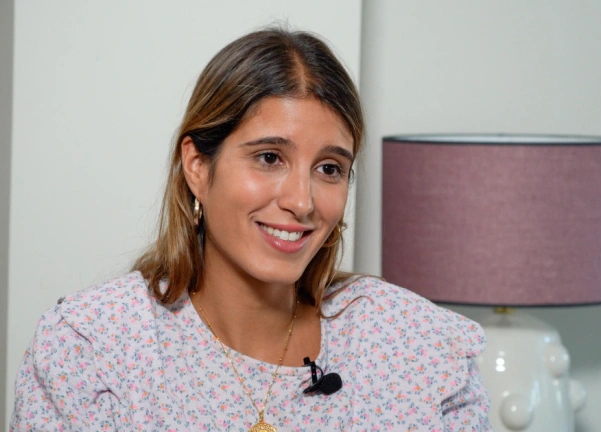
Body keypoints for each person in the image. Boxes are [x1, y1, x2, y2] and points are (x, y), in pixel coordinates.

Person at [12, 28, 491, 431]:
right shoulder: (93, 349)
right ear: (197, 166)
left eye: (329, 168)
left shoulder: (415, 346)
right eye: (269, 157)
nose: (301, 201)